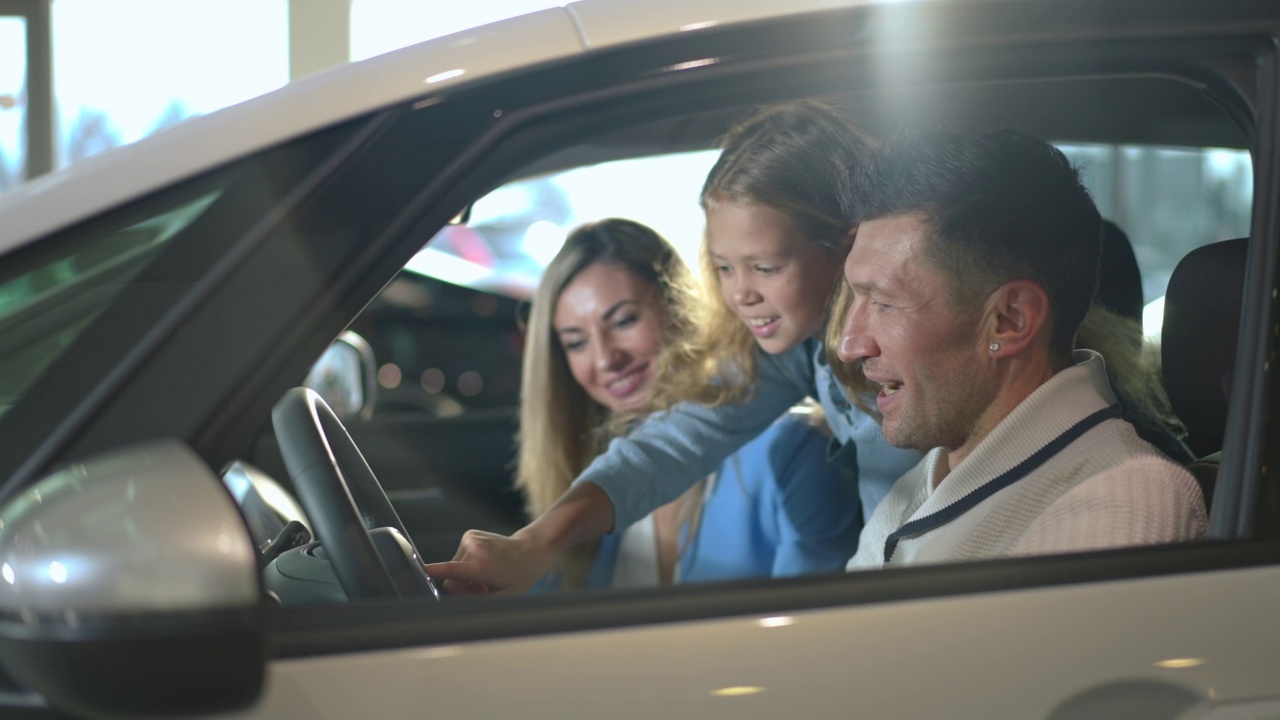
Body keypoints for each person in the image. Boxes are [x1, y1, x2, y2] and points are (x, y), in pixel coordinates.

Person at [427, 101, 923, 594]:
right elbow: (674, 441)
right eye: (724, 268)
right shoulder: (799, 352)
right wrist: (533, 543)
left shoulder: (907, 356)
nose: (740, 294)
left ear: (848, 245)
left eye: (765, 267)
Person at [828, 127, 1207, 569]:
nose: (848, 344)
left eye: (884, 303)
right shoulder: (928, 479)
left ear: (1010, 320)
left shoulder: (1123, 501)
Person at [520, 218, 861, 589]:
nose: (605, 359)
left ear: (681, 304)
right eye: (576, 342)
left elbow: (813, 627)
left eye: (624, 321)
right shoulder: (586, 479)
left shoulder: (796, 449)